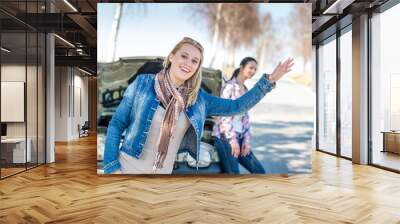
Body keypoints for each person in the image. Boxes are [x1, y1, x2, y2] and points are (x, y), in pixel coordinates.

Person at [103, 37, 294, 174]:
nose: (188, 63)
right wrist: (112, 167)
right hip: (127, 169)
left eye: (195, 61)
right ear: (171, 57)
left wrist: (269, 80)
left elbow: (237, 106)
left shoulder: (199, 99)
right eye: (184, 56)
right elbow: (116, 124)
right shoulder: (143, 83)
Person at [212, 57, 267, 174]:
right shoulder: (229, 87)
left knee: (260, 171)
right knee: (234, 174)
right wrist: (232, 140)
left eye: (255, 69)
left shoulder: (246, 91)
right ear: (242, 67)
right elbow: (224, 115)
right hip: (224, 137)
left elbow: (245, 119)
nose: (253, 71)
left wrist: (246, 141)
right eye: (251, 67)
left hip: (240, 137)